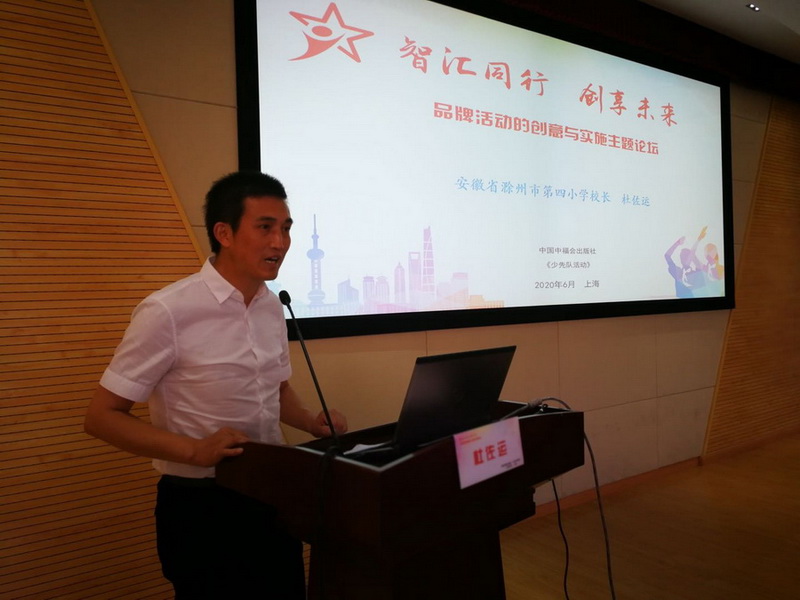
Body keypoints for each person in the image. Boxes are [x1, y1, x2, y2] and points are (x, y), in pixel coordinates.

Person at [84, 171, 347, 599]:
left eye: (285, 229)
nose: (280, 242)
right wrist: (195, 450)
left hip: (271, 491)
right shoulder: (167, 311)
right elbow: (101, 417)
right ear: (224, 233)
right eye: (265, 227)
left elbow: (275, 390)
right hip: (201, 505)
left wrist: (309, 421)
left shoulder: (271, 306)